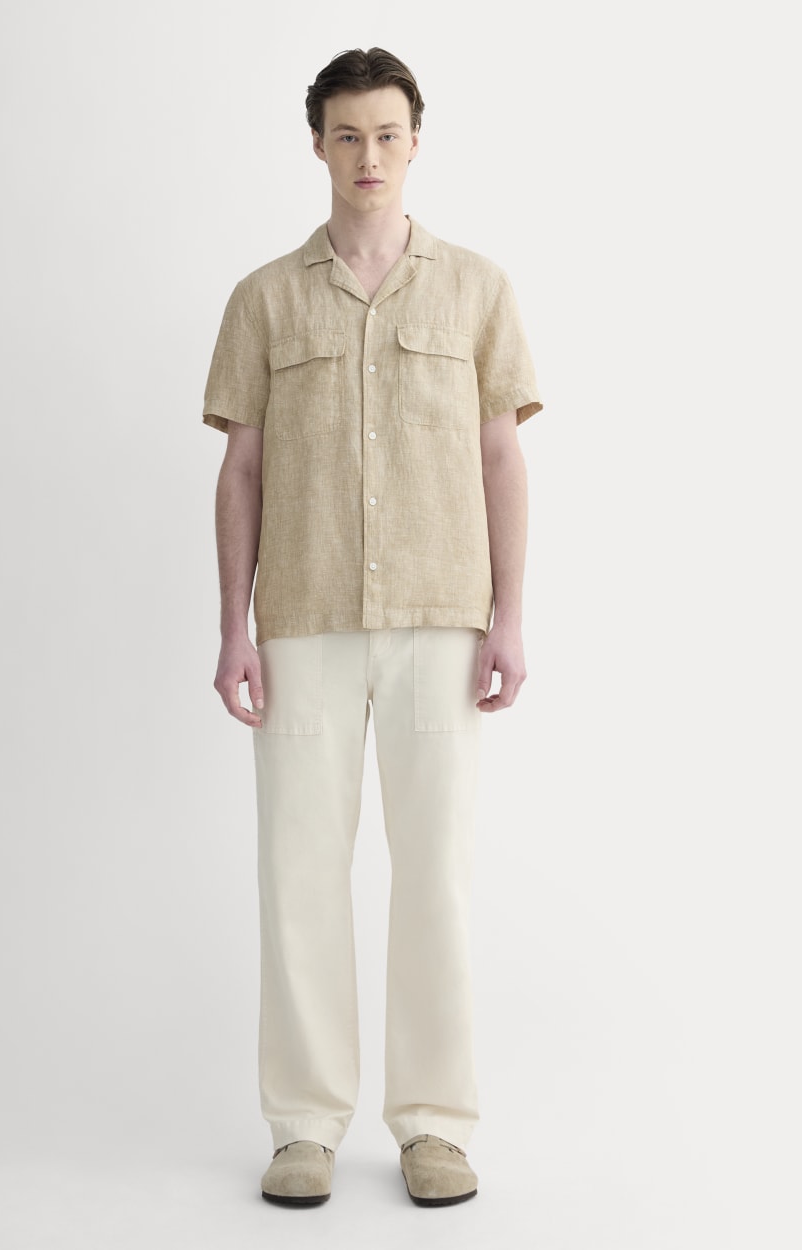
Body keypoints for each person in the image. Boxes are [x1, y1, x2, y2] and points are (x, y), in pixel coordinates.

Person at [203, 46, 542, 1208]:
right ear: (317, 144)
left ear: (415, 142)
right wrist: (233, 627)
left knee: (434, 874)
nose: (368, 156)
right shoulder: (264, 298)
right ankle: (303, 1123)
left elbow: (502, 456)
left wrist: (509, 616)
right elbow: (241, 470)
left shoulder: (477, 289)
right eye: (347, 134)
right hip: (301, 616)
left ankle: (434, 1123)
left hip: (442, 617)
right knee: (297, 873)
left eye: (387, 134)